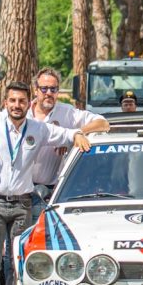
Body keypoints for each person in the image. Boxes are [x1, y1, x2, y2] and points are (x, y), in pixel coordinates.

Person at [0, 81, 92, 285]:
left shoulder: (37, 128)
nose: (16, 106)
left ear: (28, 104)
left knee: (15, 262)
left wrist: (77, 135)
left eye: (21, 101)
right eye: (12, 101)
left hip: (23, 202)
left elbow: (64, 134)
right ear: (5, 103)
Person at [30, 67, 109, 223]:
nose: (48, 93)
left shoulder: (66, 113)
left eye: (53, 89)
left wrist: (73, 135)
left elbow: (103, 123)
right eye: (44, 88)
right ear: (35, 90)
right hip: (19, 190)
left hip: (48, 191)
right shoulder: (23, 112)